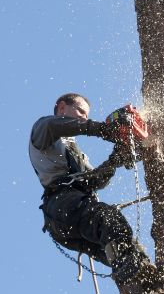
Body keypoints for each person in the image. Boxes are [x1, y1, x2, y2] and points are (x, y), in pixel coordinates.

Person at [29, 92, 152, 283]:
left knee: (119, 252)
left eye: (86, 114)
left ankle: (147, 289)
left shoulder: (77, 153)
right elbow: (63, 126)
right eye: (80, 111)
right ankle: (138, 271)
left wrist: (116, 157)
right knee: (108, 219)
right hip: (62, 204)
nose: (84, 117)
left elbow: (94, 181)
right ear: (62, 107)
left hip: (69, 221)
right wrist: (104, 129)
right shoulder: (45, 129)